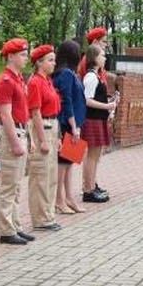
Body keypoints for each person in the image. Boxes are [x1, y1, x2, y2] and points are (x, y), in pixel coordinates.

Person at [0, 38, 36, 245]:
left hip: (21, 131)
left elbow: (22, 112)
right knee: (9, 186)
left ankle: (15, 225)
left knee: (17, 185)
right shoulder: (6, 81)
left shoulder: (18, 79)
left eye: (26, 53)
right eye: (22, 54)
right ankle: (6, 229)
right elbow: (6, 115)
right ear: (10, 56)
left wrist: (27, 137)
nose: (26, 57)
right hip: (13, 134)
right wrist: (15, 142)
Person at [25, 44, 61, 231]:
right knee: (41, 176)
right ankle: (40, 218)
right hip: (43, 127)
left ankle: (48, 214)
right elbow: (35, 112)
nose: (54, 63)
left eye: (54, 59)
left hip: (52, 126)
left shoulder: (47, 81)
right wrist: (42, 140)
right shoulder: (35, 82)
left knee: (51, 175)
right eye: (50, 60)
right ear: (39, 62)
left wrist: (58, 136)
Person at [52, 41, 86, 215]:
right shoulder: (65, 73)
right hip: (67, 124)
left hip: (74, 124)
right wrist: (74, 126)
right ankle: (59, 199)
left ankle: (68, 197)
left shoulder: (70, 73)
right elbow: (67, 100)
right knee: (62, 164)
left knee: (69, 163)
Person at [80, 45, 116, 203]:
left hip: (98, 118)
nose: (105, 58)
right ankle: (88, 189)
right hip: (92, 119)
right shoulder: (90, 77)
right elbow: (87, 100)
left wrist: (108, 104)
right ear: (94, 58)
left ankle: (92, 186)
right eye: (102, 55)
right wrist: (107, 106)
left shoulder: (97, 75)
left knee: (96, 155)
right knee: (91, 156)